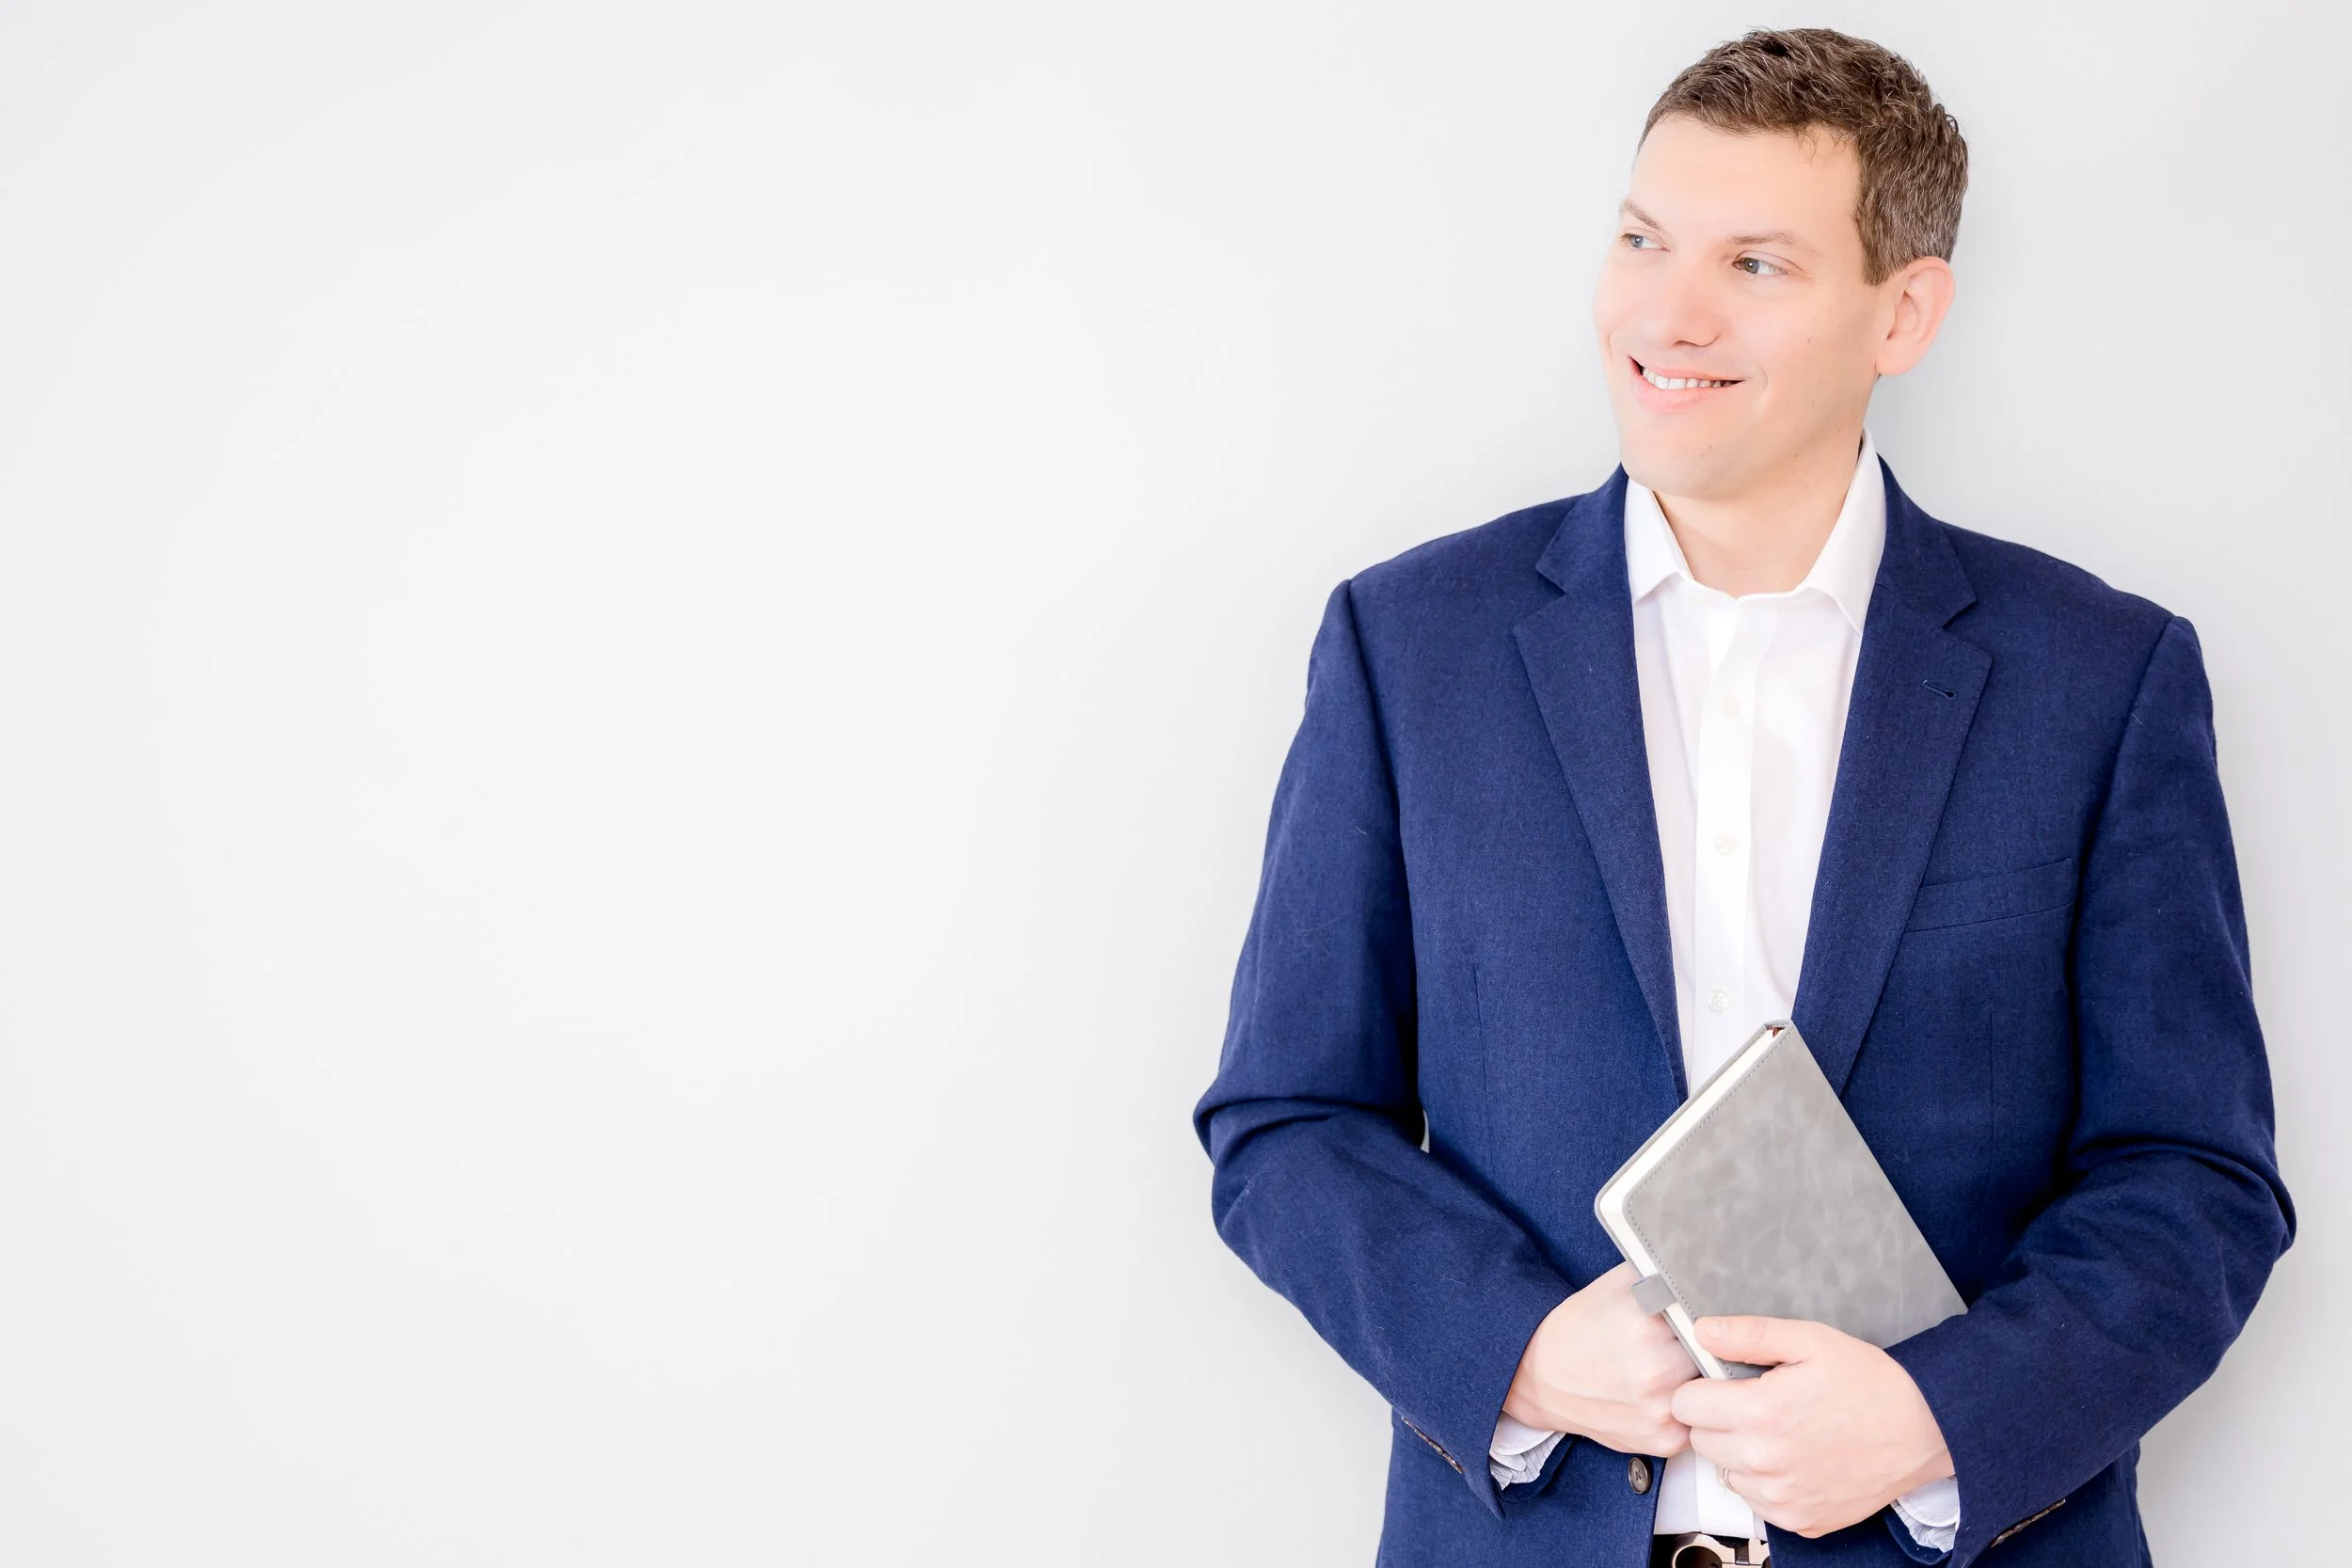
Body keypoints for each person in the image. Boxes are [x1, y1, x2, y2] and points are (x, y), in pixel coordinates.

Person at [1190, 26, 2292, 1568]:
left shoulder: (2101, 676)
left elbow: (2194, 1177)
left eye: (1756, 264)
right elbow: (1287, 1118)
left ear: (1903, 311)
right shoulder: (1407, 646)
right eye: (1643, 238)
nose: (1667, 312)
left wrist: (1939, 1416)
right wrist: (1514, 1349)